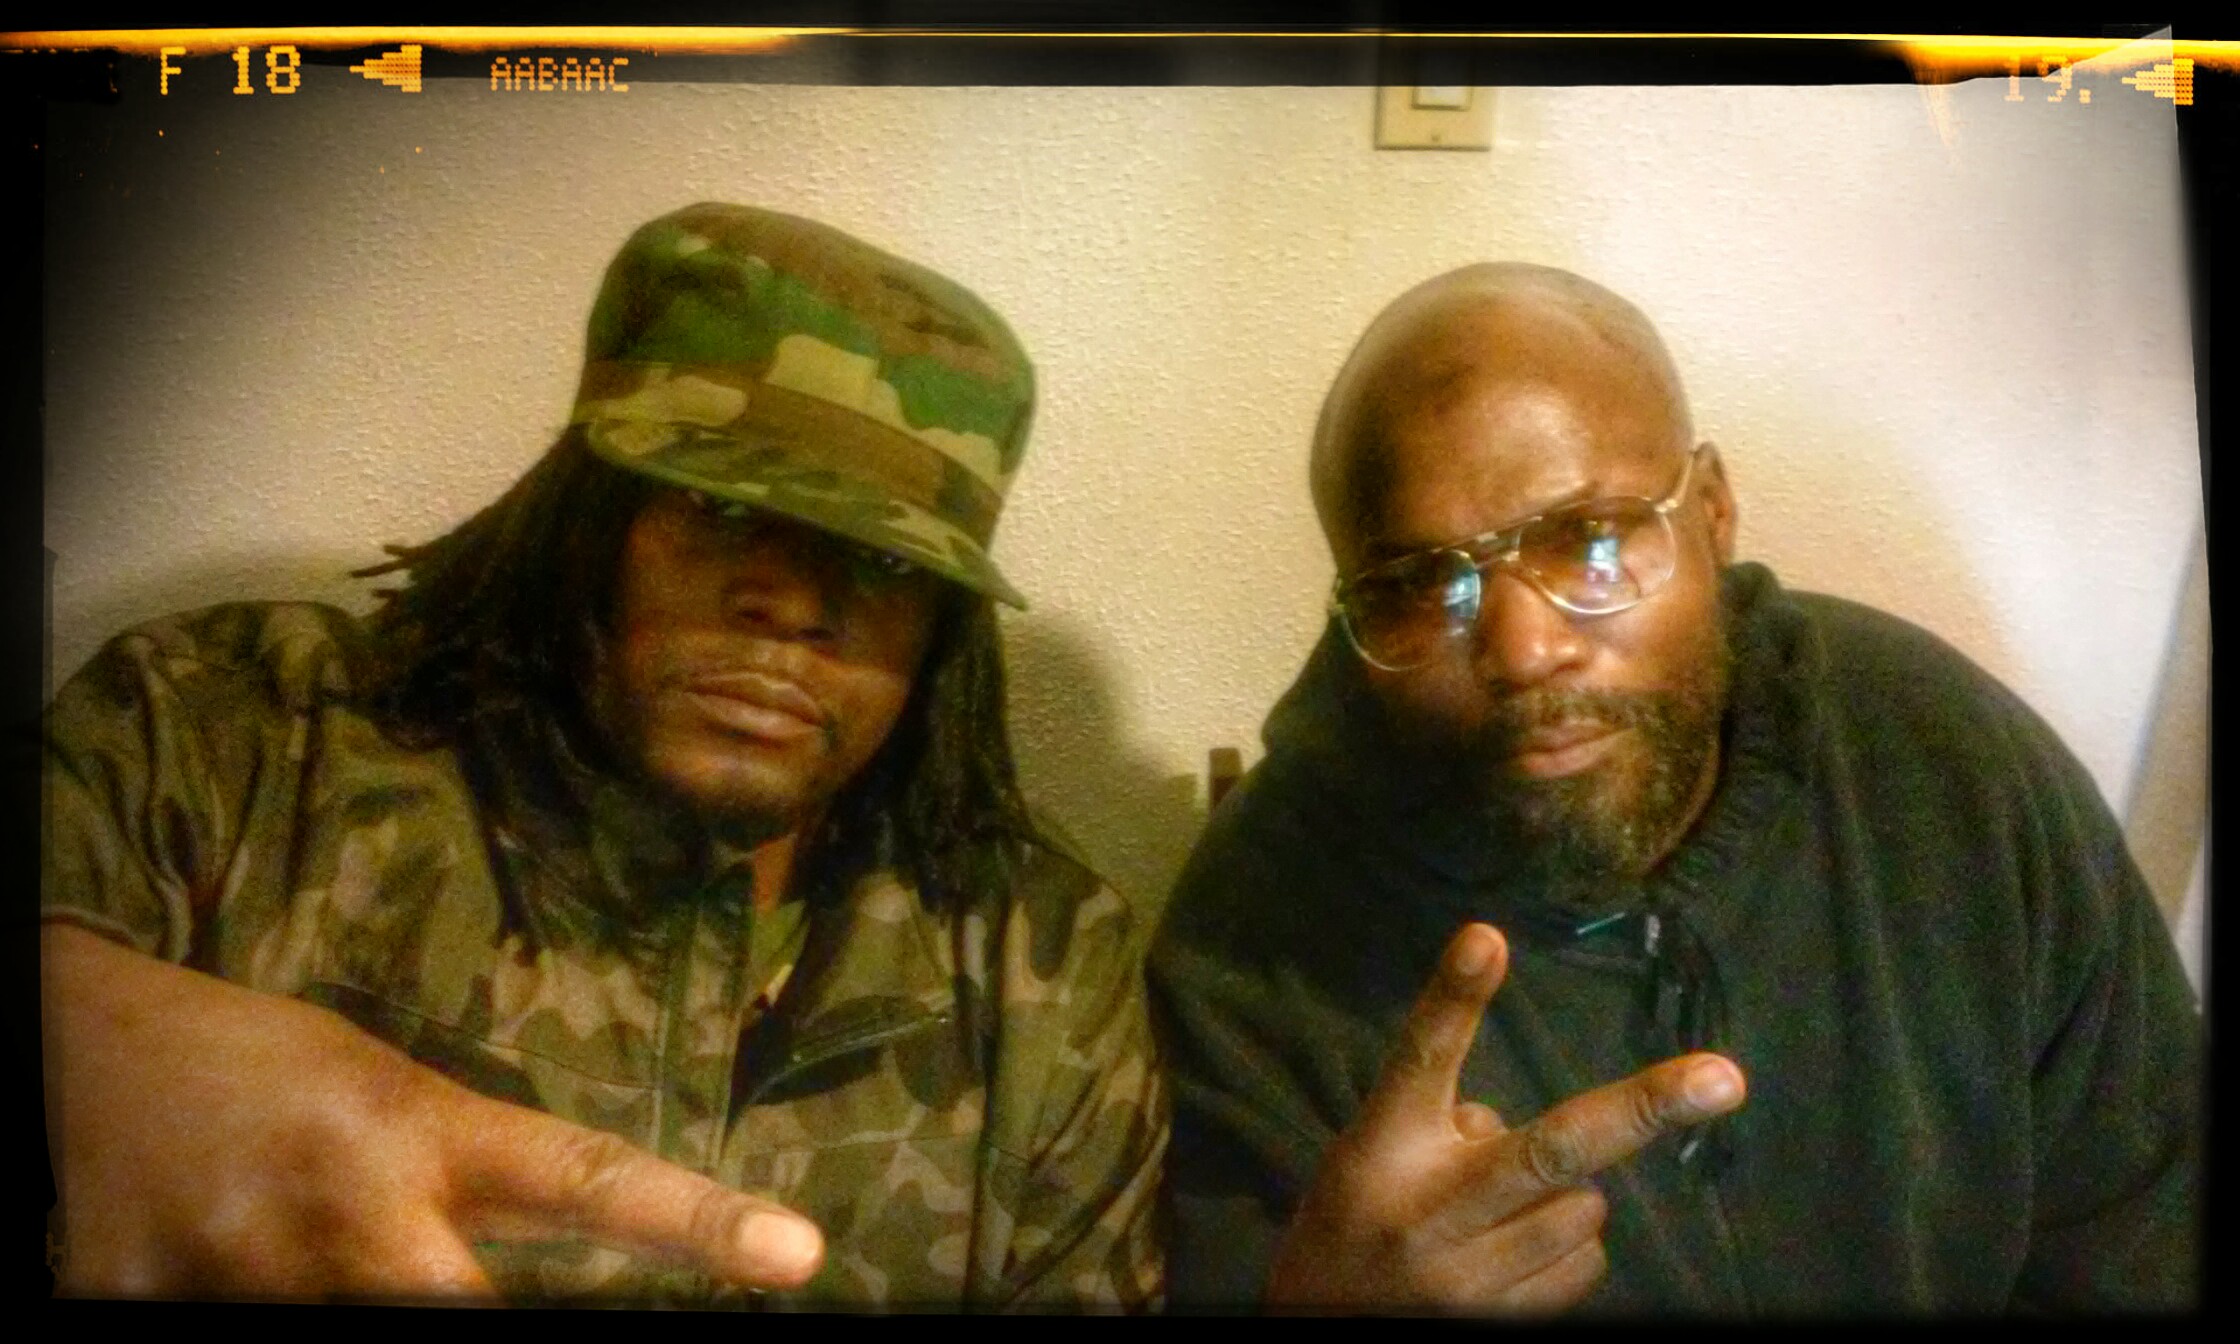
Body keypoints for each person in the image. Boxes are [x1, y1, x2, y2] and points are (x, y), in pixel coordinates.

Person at [40, 202, 1165, 1309]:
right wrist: (88, 1041)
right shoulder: (233, 738)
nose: (795, 603)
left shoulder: (1038, 957)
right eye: (721, 509)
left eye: (890, 563)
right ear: (586, 516)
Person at [1148, 263, 2201, 1315]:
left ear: (1711, 512)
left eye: (1590, 540)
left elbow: (2147, 1223)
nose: (1523, 649)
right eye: (1424, 585)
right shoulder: (1254, 939)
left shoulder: (1943, 760)